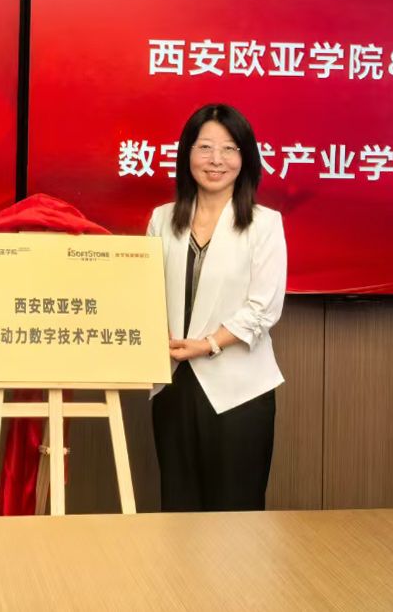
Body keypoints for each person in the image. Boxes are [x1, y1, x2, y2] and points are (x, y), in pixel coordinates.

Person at [145, 103, 287, 511]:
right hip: (174, 382)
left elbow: (263, 307)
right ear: (187, 154)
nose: (216, 160)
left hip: (240, 387)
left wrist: (208, 343)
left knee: (236, 516)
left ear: (245, 158)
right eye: (205, 147)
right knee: (179, 511)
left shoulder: (264, 223)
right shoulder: (161, 220)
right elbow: (147, 293)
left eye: (229, 149)